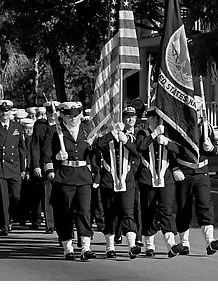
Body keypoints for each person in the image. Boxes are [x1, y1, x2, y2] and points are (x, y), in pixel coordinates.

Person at [44, 101, 97, 261]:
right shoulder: (55, 131)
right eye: (69, 116)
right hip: (65, 176)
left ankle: (86, 247)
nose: (73, 119)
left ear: (80, 115)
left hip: (83, 175)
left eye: (75, 116)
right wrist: (55, 161)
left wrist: (95, 171)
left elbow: (93, 155)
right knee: (65, 212)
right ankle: (68, 247)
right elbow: (46, 154)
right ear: (63, 116)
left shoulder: (87, 130)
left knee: (84, 212)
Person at [174, 96, 218, 256]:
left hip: (202, 172)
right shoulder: (179, 125)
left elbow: (215, 148)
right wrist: (175, 167)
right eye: (193, 106)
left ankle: (210, 242)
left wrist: (210, 148)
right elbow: (170, 149)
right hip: (185, 171)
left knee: (205, 206)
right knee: (184, 208)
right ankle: (184, 243)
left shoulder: (205, 126)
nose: (196, 109)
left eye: (198, 106)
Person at [136, 108, 185, 258]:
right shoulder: (142, 133)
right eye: (155, 118)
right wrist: (154, 134)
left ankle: (171, 244)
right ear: (149, 119)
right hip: (148, 178)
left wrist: (168, 143)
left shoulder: (168, 134)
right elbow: (141, 147)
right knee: (148, 210)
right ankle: (149, 244)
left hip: (166, 177)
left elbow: (179, 150)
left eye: (160, 118)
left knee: (166, 210)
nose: (158, 120)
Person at [95, 107, 142, 259]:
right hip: (109, 179)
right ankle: (110, 246)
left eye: (132, 117)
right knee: (110, 213)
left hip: (126, 179)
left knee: (128, 211)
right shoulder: (107, 135)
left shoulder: (130, 136)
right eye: (127, 117)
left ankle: (132, 245)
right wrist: (113, 134)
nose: (130, 119)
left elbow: (137, 151)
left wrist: (126, 140)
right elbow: (97, 145)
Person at [0, 99, 27, 236]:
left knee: (15, 197)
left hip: (14, 166)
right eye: (1, 111)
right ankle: (4, 224)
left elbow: (22, 149)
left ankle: (10, 217)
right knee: (2, 198)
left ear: (10, 112)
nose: (4, 114)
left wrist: (23, 168)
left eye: (6, 111)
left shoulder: (17, 127)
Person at [30, 105, 56, 234]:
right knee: (48, 195)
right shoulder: (40, 127)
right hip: (45, 166)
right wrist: (36, 165)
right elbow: (35, 147)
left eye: (55, 112)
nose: (52, 114)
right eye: (50, 112)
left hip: (61, 166)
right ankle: (50, 224)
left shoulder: (62, 127)